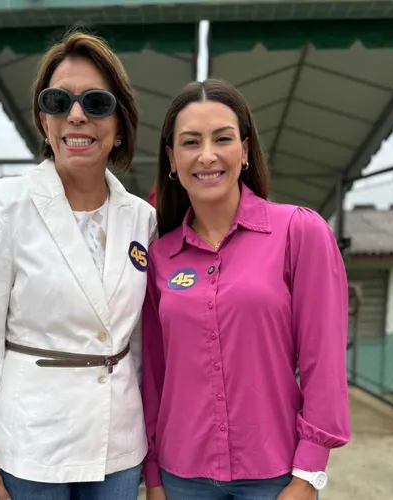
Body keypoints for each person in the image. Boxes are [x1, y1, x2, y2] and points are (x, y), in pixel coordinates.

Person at [0, 30, 156, 500]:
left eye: (96, 103)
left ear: (119, 124)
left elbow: (138, 340)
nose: (76, 114)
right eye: (58, 100)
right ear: (44, 119)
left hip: (117, 441)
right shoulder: (4, 205)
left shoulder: (142, 218)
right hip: (30, 440)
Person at [141, 79, 351, 500]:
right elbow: (154, 375)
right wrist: (154, 476)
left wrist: (308, 474)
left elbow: (323, 363)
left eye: (222, 138)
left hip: (275, 477)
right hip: (182, 476)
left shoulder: (299, 232)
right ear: (171, 158)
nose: (207, 155)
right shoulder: (159, 257)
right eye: (190, 142)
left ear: (244, 149)